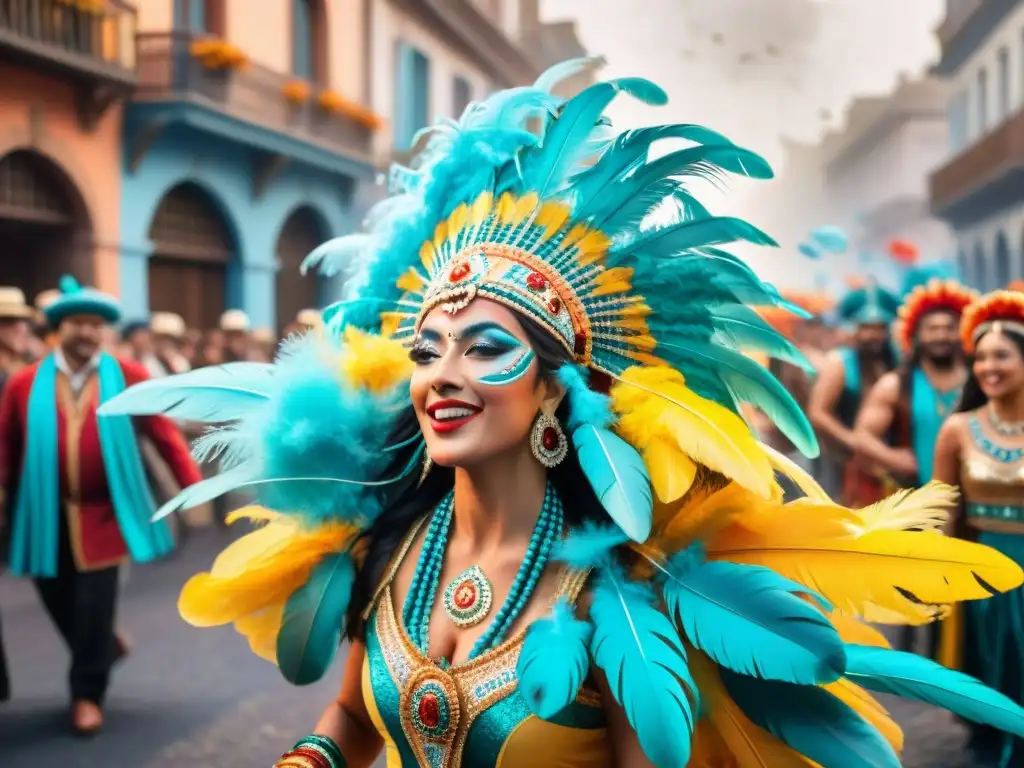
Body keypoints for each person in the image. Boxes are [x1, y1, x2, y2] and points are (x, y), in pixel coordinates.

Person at [103, 62, 1024, 767]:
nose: (441, 377)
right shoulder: (387, 546)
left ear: (556, 390)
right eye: (426, 351)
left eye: (484, 349)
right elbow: (349, 717)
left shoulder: (619, 594)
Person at [0, 276, 202, 734]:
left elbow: (163, 435)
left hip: (106, 514)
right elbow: (6, 445)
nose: (88, 332)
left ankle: (86, 695)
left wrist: (192, 485)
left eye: (96, 325)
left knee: (93, 604)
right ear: (59, 329)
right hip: (42, 514)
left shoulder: (128, 376)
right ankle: (103, 646)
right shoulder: (23, 383)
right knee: (56, 598)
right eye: (78, 323)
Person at [853, 271, 975, 655]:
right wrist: (894, 458)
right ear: (917, 335)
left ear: (961, 332)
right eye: (932, 328)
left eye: (949, 328)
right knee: (913, 596)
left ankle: (957, 661)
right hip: (918, 503)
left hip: (972, 505)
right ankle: (912, 662)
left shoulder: (980, 378)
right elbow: (863, 435)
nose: (941, 335)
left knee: (966, 595)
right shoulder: (898, 383)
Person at [933, 289, 1024, 767]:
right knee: (996, 661)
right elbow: (941, 509)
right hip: (987, 570)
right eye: (982, 357)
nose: (988, 367)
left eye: (1002, 356)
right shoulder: (958, 429)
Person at [808, 283, 900, 506]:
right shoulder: (840, 362)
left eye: (879, 327)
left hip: (889, 465)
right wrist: (853, 441)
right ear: (855, 328)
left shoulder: (895, 361)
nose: (873, 334)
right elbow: (818, 412)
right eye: (866, 327)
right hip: (845, 463)